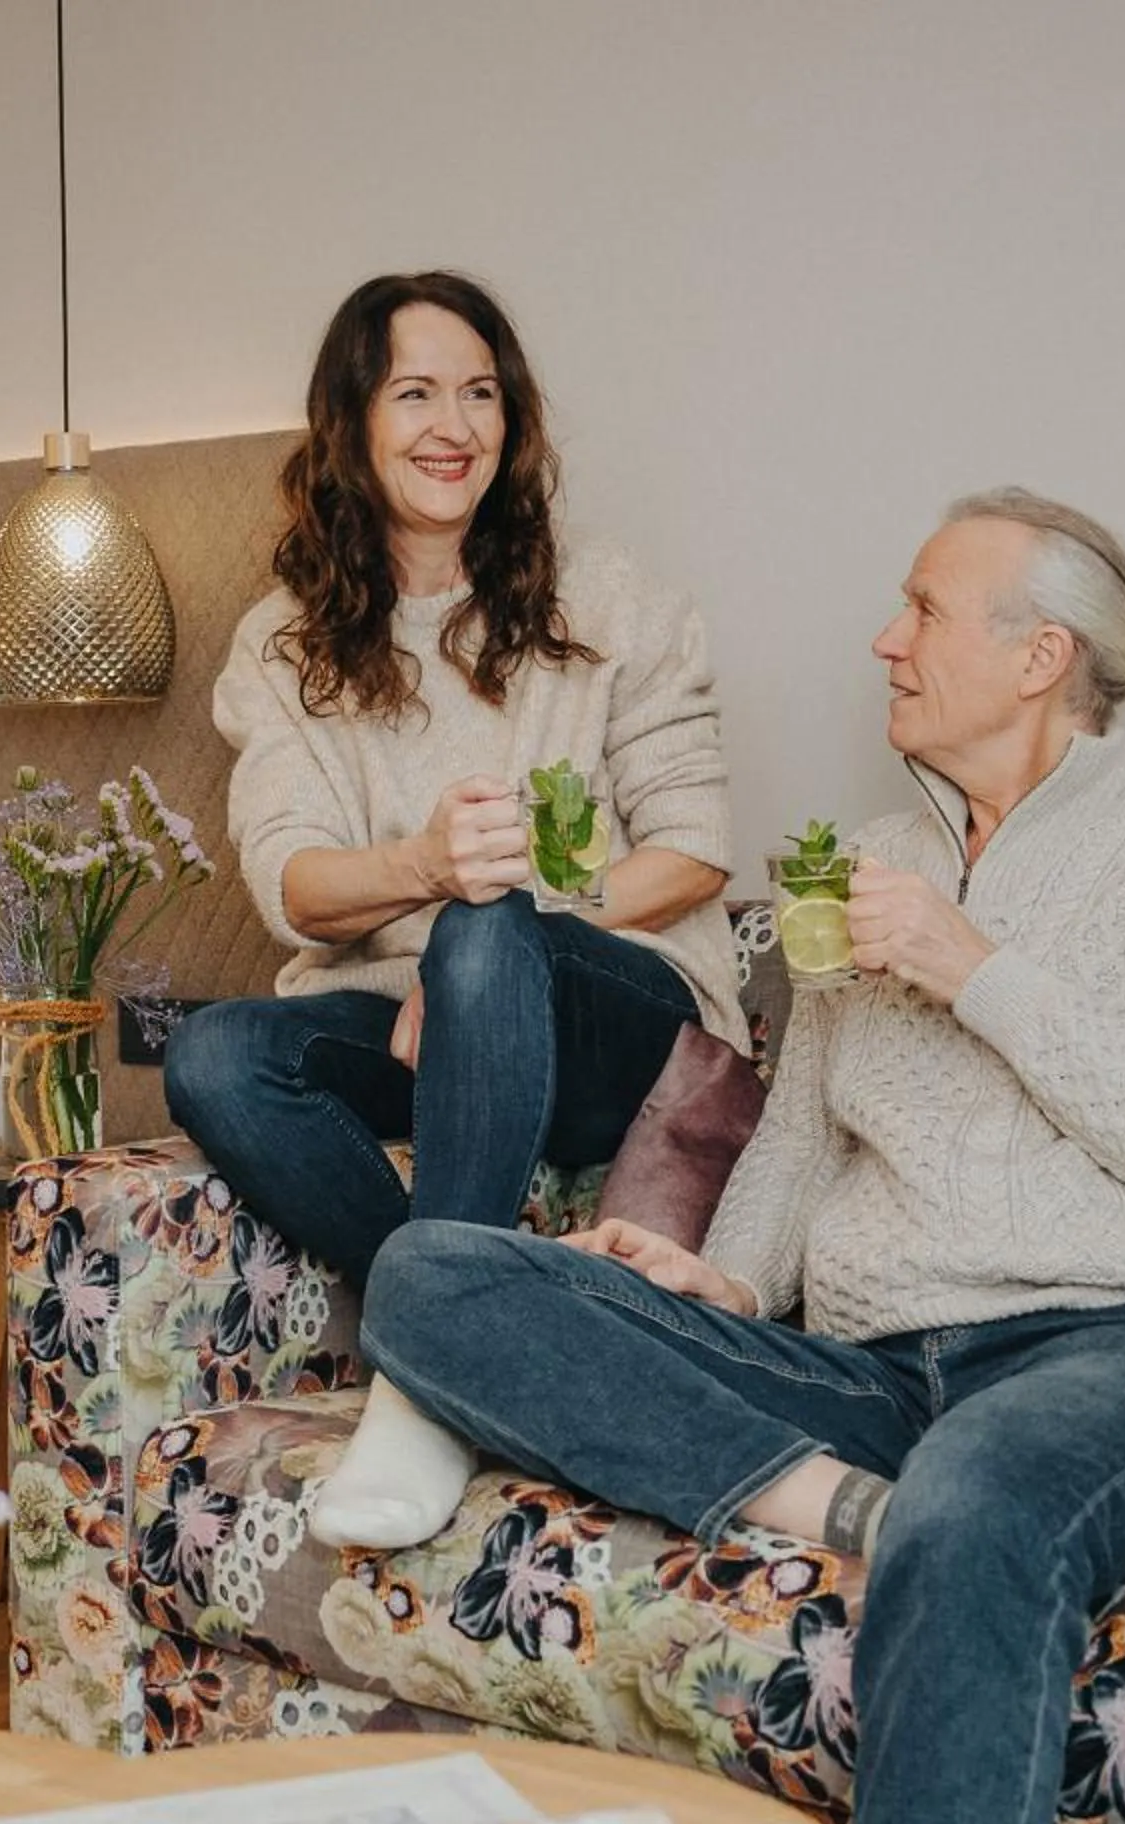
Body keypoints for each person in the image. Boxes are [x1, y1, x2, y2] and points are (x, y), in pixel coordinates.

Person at [346, 490, 1125, 1824]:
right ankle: (834, 1499)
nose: (886, 640)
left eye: (925, 610)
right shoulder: (868, 859)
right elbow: (803, 1139)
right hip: (878, 1376)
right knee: (431, 1275)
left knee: (984, 1498)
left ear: (1039, 655)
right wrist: (726, 1282)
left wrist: (977, 966)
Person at [164, 271, 746, 1550]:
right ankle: (477, 1334)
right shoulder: (283, 644)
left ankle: (419, 1390)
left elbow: (695, 851)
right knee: (212, 1054)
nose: (454, 424)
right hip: (417, 1027)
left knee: (489, 932)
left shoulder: (613, 602)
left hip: (622, 1026)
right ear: (351, 426)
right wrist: (431, 869)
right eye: (415, 391)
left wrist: (508, 931)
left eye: (480, 392)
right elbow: (295, 883)